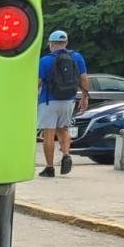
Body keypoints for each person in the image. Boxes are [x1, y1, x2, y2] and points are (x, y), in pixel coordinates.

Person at [36, 30, 90, 177]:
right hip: (68, 100)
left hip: (48, 100)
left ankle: (49, 167)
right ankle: (66, 154)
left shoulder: (45, 60)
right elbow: (84, 78)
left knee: (48, 133)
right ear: (65, 43)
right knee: (63, 129)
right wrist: (85, 97)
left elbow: (39, 82)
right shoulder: (77, 57)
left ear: (51, 44)